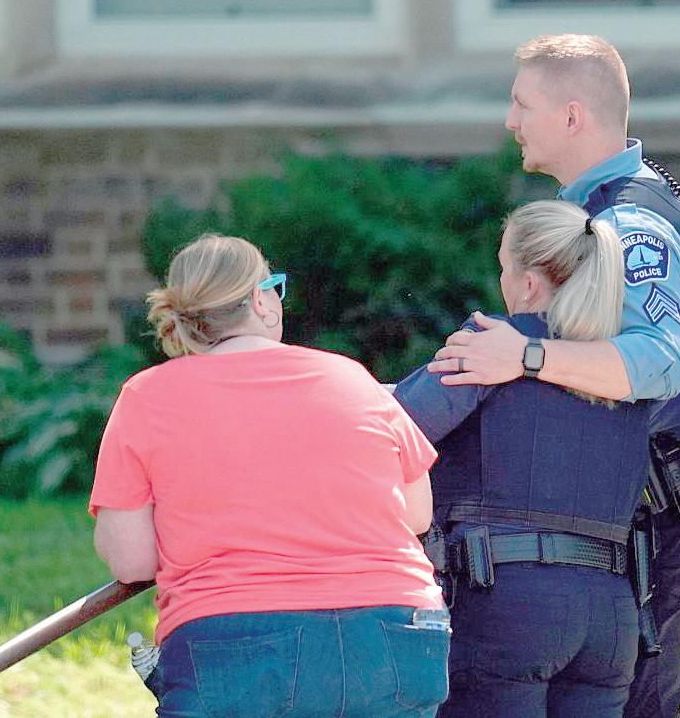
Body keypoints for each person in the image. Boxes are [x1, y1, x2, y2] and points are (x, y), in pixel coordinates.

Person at [426, 34, 680, 717]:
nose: (510, 120)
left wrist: (527, 355)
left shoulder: (627, 221)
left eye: (522, 103)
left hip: (651, 506)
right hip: (622, 516)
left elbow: (658, 363)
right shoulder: (614, 209)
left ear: (571, 115)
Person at [395, 199, 680, 717]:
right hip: (609, 618)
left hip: (503, 604)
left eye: (504, 267)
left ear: (528, 284)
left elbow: (387, 434)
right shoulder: (638, 373)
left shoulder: (488, 348)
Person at [90, 233, 450, 718]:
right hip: (396, 631)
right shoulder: (350, 376)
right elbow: (416, 514)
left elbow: (131, 561)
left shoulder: (146, 397)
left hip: (230, 640)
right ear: (261, 301)